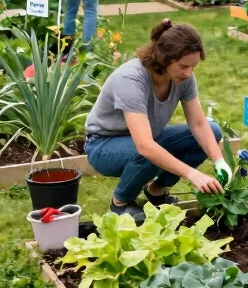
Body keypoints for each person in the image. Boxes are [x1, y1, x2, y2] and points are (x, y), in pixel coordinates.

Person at [84, 20, 231, 222]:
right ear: (164, 58)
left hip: (146, 138)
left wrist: (219, 161)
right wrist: (193, 174)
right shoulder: (132, 79)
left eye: (193, 67)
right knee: (149, 150)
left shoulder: (184, 78)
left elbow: (198, 124)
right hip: (103, 145)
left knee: (213, 132)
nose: (188, 73)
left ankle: (156, 190)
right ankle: (120, 202)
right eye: (183, 66)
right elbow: (145, 146)